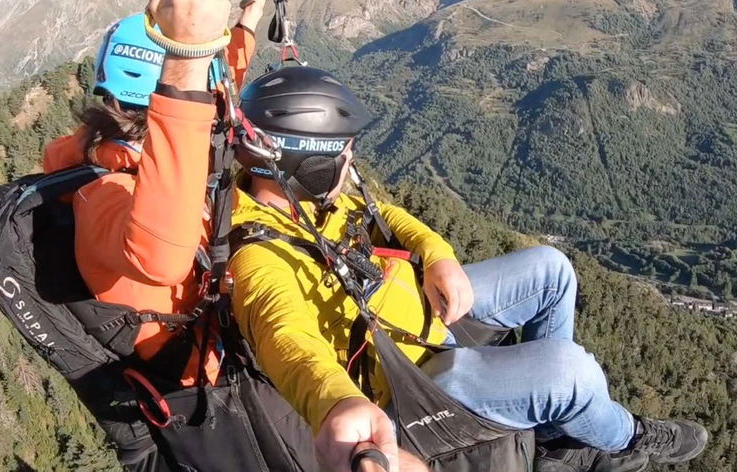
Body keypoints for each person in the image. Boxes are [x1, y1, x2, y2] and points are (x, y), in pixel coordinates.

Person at [227, 66, 709, 472]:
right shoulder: (259, 258)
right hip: (410, 378)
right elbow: (286, 340)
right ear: (308, 164)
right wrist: (337, 403)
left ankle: (554, 437)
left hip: (417, 316)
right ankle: (626, 439)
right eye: (344, 153)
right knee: (572, 375)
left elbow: (384, 217)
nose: (353, 164)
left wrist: (437, 255)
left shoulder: (301, 202)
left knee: (552, 269)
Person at [42, 0, 265, 468]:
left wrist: (246, 21)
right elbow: (163, 255)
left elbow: (210, 105)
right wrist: (187, 60)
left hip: (203, 362)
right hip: (189, 398)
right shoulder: (103, 194)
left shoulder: (125, 156)